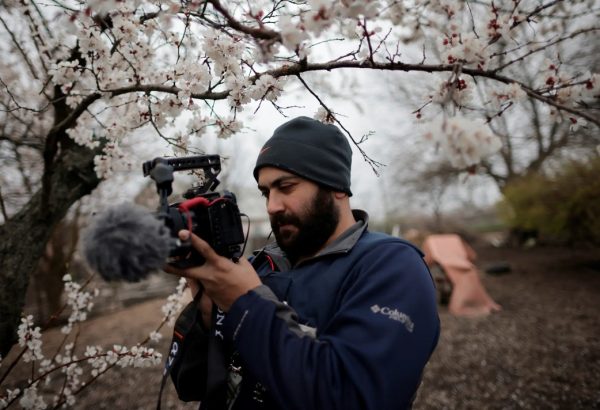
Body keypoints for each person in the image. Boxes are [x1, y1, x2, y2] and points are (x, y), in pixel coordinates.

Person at [166, 116, 440, 410]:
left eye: (286, 187)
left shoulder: (391, 266)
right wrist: (207, 318)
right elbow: (191, 384)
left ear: (336, 186)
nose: (272, 205)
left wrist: (244, 303)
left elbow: (353, 396)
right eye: (266, 192)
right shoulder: (259, 266)